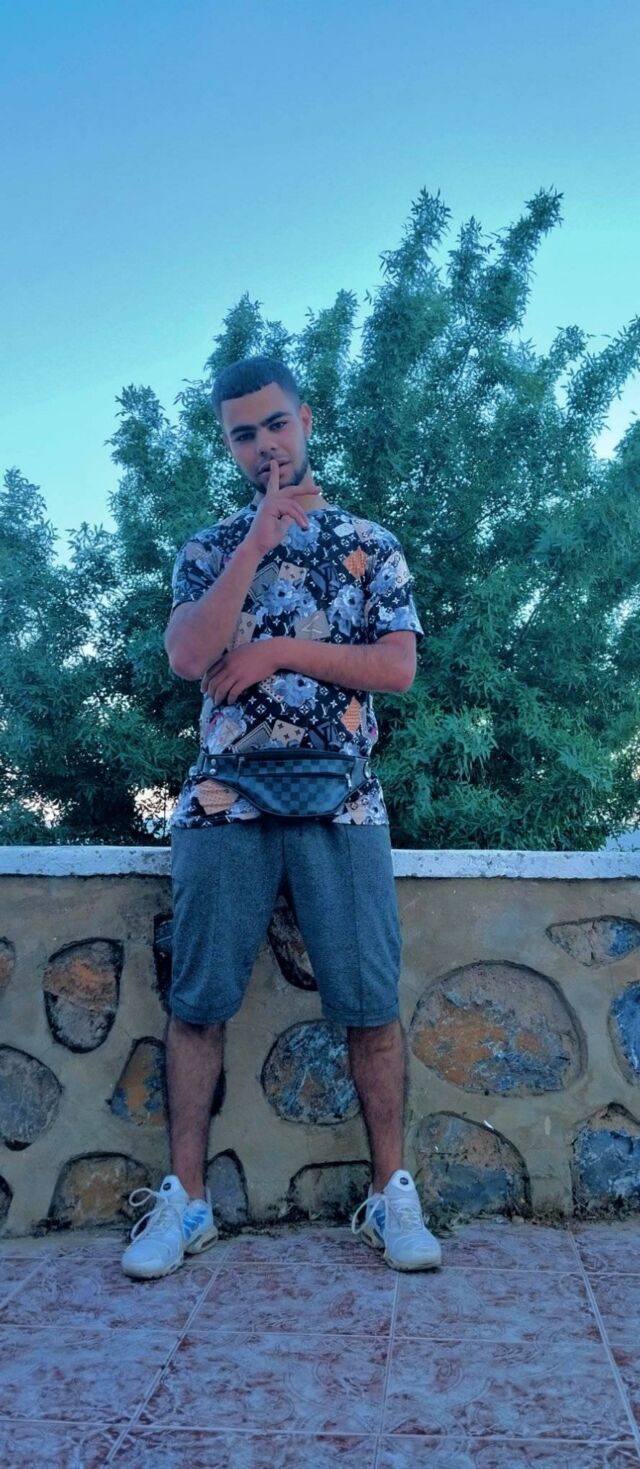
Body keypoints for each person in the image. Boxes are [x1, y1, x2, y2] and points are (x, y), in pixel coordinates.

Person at [121, 356, 442, 1279]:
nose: (263, 444)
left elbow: (396, 668)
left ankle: (390, 1193)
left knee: (370, 1005)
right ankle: (186, 1202)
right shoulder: (206, 548)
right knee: (196, 1004)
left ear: (306, 421)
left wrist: (275, 653)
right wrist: (254, 545)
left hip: (345, 799)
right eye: (243, 433)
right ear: (228, 445)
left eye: (275, 424)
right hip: (224, 801)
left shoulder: (371, 543)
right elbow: (189, 655)